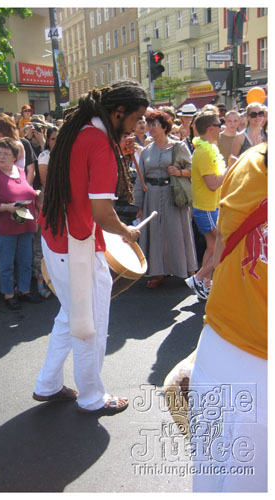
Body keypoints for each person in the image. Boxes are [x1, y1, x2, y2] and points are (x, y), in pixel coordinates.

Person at [33, 81, 148, 414]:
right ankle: (91, 398)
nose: (137, 127)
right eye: (135, 118)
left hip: (58, 235)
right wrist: (126, 231)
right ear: (118, 112)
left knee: (72, 317)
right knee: (89, 324)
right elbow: (102, 213)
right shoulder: (99, 142)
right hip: (77, 245)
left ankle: (48, 384)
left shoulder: (78, 129)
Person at [189, 143, 267, 492]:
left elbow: (222, 244)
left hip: (217, 347)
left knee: (209, 479)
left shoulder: (252, 160)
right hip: (260, 368)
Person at [133, 110, 197, 288]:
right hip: (152, 195)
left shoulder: (179, 146)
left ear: (164, 127)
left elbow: (193, 169)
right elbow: (140, 179)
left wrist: (180, 172)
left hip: (173, 194)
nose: (150, 128)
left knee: (176, 232)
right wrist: (138, 204)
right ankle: (157, 272)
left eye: (154, 124)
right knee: (155, 234)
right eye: (149, 124)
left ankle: (187, 270)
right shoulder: (146, 151)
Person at [0, 137, 40, 310]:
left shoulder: (20, 171)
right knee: (6, 263)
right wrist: (7, 207)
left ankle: (24, 290)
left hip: (24, 223)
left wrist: (34, 193)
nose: (1, 157)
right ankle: (8, 294)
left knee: (25, 260)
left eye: (6, 153)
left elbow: (26, 191)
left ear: (15, 156)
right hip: (4, 227)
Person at [185, 110, 228, 300]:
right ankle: (199, 278)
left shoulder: (205, 149)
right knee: (223, 245)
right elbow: (212, 184)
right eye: (220, 125)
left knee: (212, 247)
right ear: (211, 129)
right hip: (207, 208)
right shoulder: (203, 152)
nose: (222, 127)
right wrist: (230, 170)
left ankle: (204, 284)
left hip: (207, 207)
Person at [33, 126, 59, 300]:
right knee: (42, 245)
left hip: (67, 204)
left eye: (59, 138)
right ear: (48, 141)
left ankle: (58, 282)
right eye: (53, 138)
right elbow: (45, 182)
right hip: (49, 203)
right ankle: (40, 281)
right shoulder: (45, 156)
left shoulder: (70, 154)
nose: (56, 142)